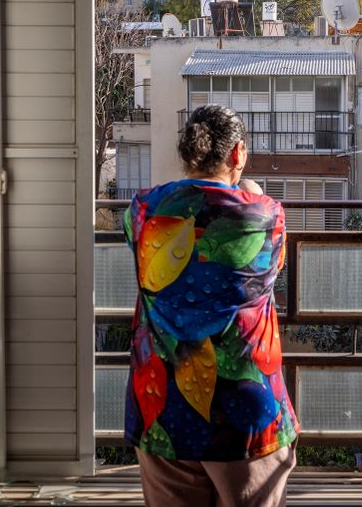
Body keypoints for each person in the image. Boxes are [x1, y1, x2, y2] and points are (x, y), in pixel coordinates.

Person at [123, 104, 298, 507]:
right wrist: (250, 191)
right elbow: (275, 266)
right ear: (238, 154)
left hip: (164, 411)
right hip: (246, 416)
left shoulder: (143, 210)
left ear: (187, 154)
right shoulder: (266, 215)